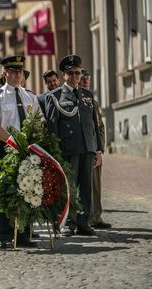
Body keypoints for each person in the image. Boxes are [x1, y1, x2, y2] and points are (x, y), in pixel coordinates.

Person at [0, 55, 41, 248]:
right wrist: (13, 141)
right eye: (14, 71)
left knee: (27, 190)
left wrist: (34, 142)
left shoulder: (29, 96)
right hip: (6, 148)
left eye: (20, 71)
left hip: (27, 149)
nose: (18, 75)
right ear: (5, 73)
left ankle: (24, 234)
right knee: (5, 192)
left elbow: (38, 121)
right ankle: (6, 236)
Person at [45, 55, 103, 237]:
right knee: (69, 187)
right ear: (64, 75)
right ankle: (68, 223)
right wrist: (54, 153)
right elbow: (51, 127)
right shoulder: (55, 96)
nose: (76, 76)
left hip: (88, 147)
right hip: (67, 150)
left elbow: (94, 124)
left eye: (78, 73)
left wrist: (98, 149)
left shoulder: (87, 95)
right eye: (71, 73)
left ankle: (84, 222)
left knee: (86, 187)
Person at [79, 69, 111, 229]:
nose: (85, 82)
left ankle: (97, 217)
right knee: (85, 186)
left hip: (94, 149)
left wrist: (100, 149)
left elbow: (100, 127)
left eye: (87, 79)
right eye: (83, 79)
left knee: (96, 186)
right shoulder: (77, 99)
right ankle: (86, 218)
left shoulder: (93, 101)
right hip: (82, 150)